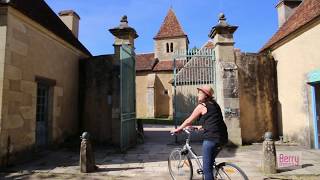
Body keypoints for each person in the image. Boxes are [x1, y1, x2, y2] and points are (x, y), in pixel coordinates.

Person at [170, 85, 228, 180]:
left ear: (205, 95)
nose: (198, 94)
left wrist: (178, 129)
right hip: (223, 138)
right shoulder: (215, 105)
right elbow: (213, 121)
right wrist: (198, 127)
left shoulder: (202, 106)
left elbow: (189, 120)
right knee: (210, 161)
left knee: (207, 169)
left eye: (200, 93)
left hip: (211, 139)